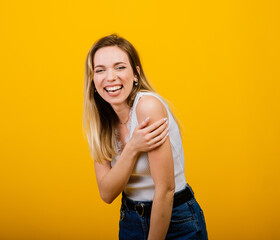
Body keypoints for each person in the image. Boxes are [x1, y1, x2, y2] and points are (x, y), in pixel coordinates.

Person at [83, 34, 208, 240]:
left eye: (120, 67)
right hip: (131, 219)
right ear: (93, 80)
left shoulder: (147, 106)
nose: (111, 77)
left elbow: (166, 190)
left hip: (176, 219)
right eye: (100, 70)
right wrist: (133, 146)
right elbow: (106, 193)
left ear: (135, 74)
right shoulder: (100, 122)